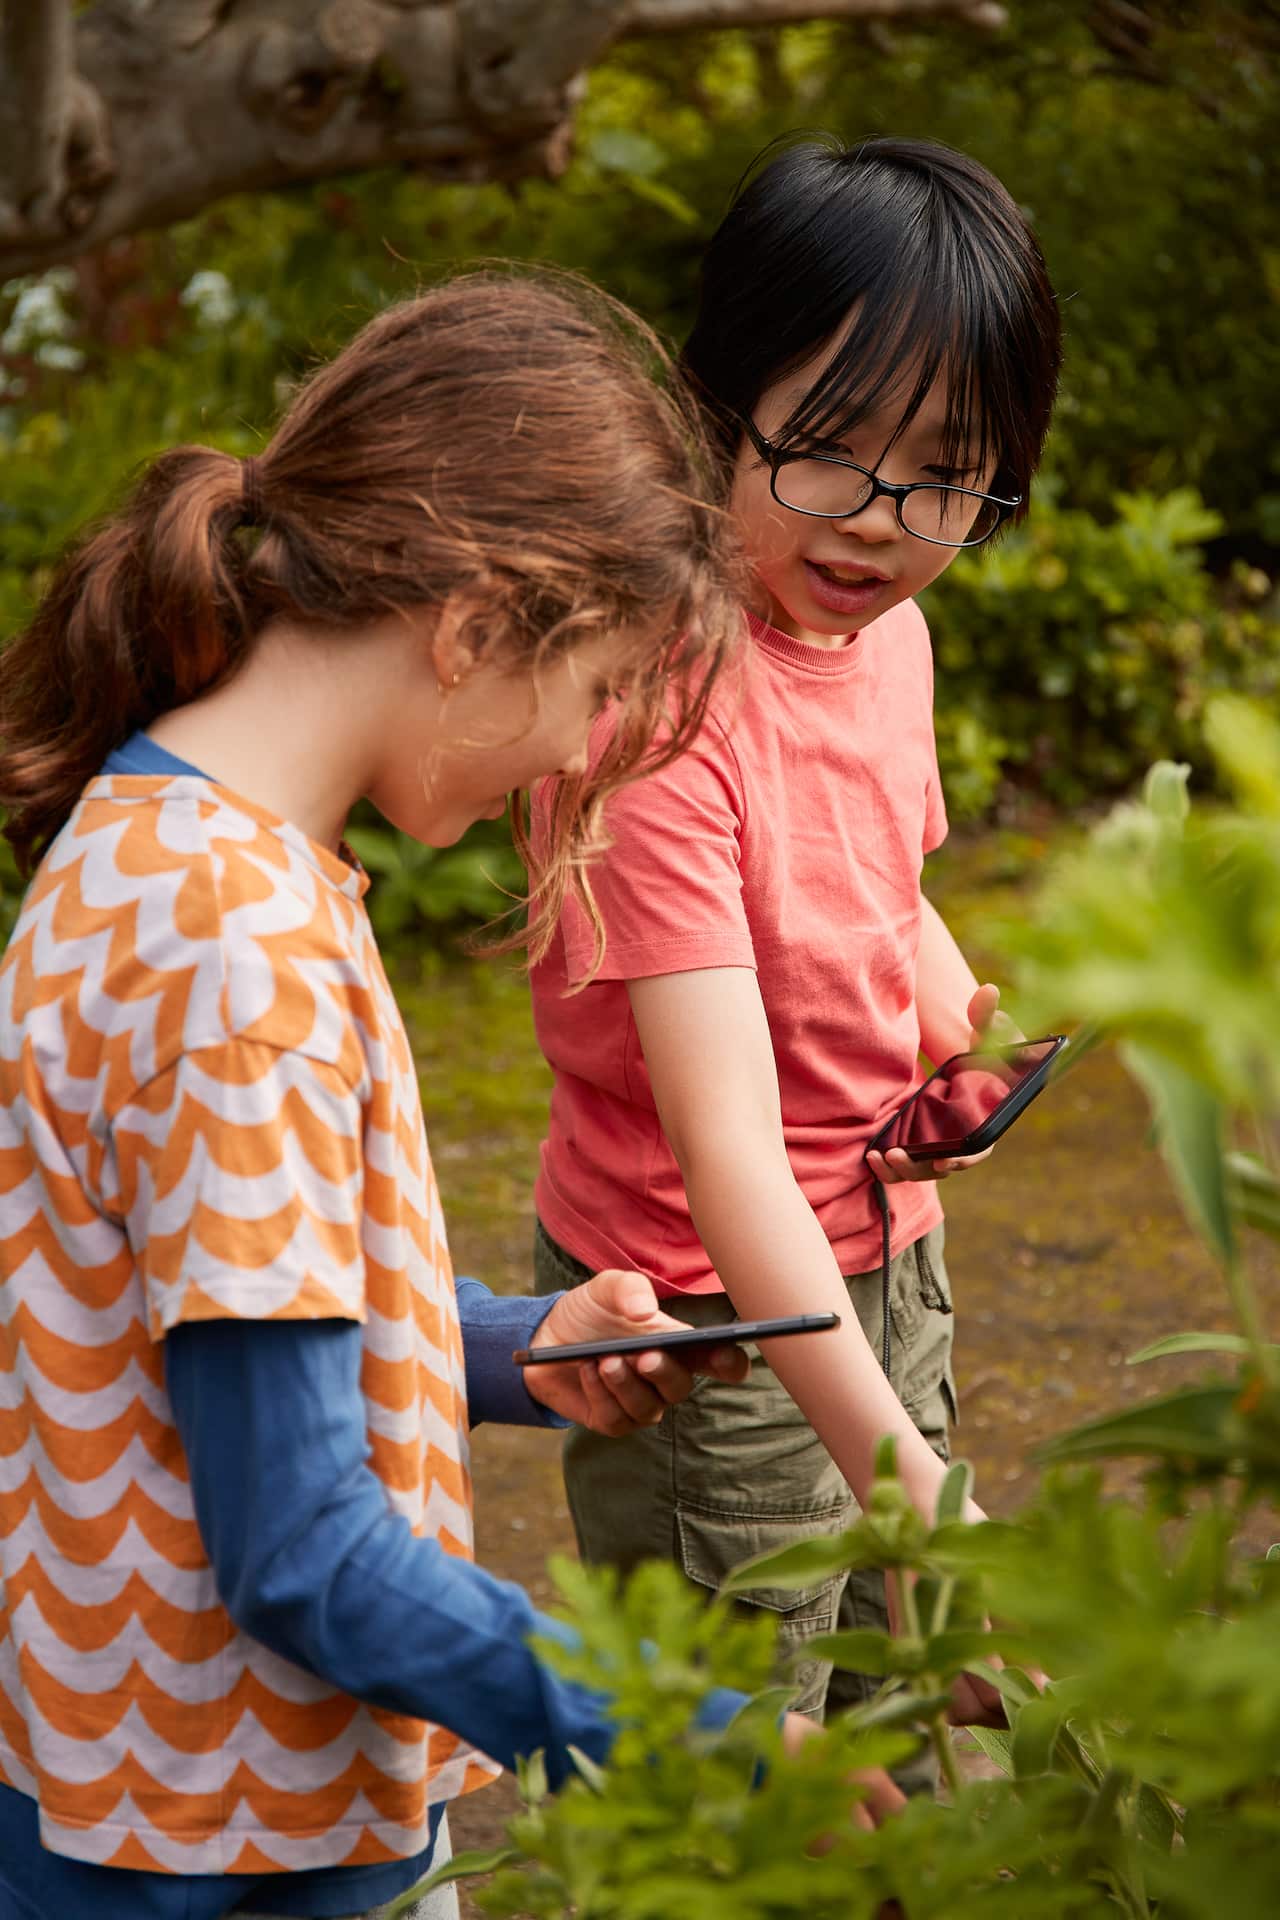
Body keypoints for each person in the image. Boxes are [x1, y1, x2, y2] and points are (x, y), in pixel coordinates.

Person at [0, 271, 883, 1920]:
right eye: (596, 687)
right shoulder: (238, 963)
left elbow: (182, 1317)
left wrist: (505, 1347)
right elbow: (306, 1557)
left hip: (137, 1799)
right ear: (474, 630)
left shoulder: (167, 839)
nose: (576, 754)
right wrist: (708, 1749)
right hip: (225, 1848)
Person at [529, 136, 1063, 1771]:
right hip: (707, 1316)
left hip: (887, 1256)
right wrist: (920, 1495)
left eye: (947, 477)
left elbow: (887, 881)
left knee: (897, 1721)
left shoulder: (887, 637)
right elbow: (730, 1164)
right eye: (829, 450)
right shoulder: (658, 716)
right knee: (742, 1769)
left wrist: (954, 1022)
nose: (883, 525)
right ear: (718, 404)